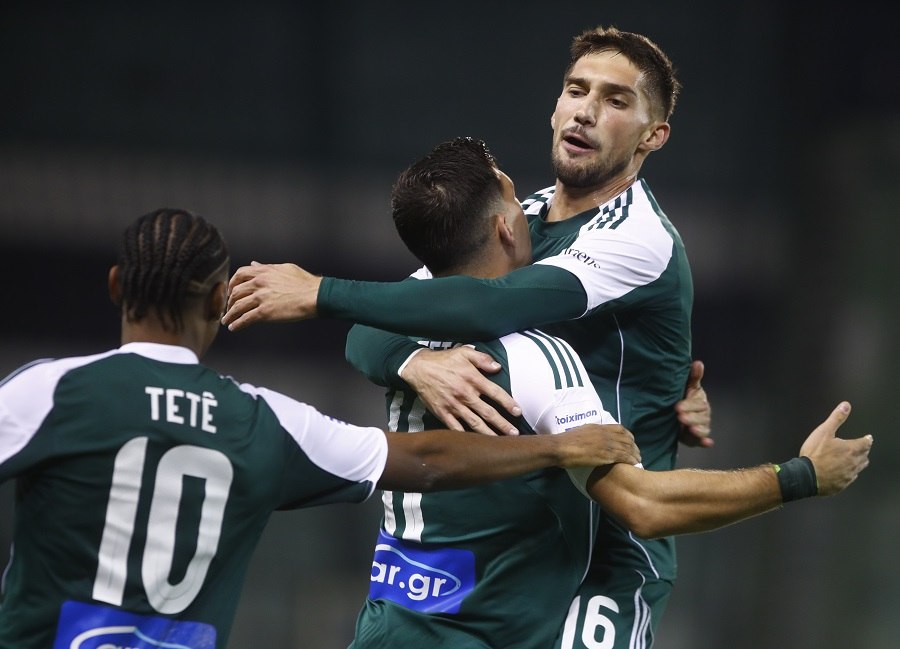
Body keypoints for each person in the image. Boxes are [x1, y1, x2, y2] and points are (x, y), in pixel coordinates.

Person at [228, 138, 872, 648]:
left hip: (389, 623)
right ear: (507, 226)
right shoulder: (537, 356)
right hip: (486, 631)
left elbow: (369, 326)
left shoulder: (403, 324)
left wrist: (406, 355)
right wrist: (800, 476)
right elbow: (643, 506)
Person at [223, 26, 704, 647]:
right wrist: (415, 361)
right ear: (554, 106)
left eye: (615, 100)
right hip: (519, 546)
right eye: (575, 89)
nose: (585, 111)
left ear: (652, 135)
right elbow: (373, 330)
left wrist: (319, 293)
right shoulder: (517, 217)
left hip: (606, 554)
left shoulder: (636, 237)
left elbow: (486, 306)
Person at [0, 208, 643, 649]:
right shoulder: (260, 420)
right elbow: (425, 460)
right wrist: (554, 448)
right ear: (220, 299)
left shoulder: (49, 393)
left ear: (116, 285)